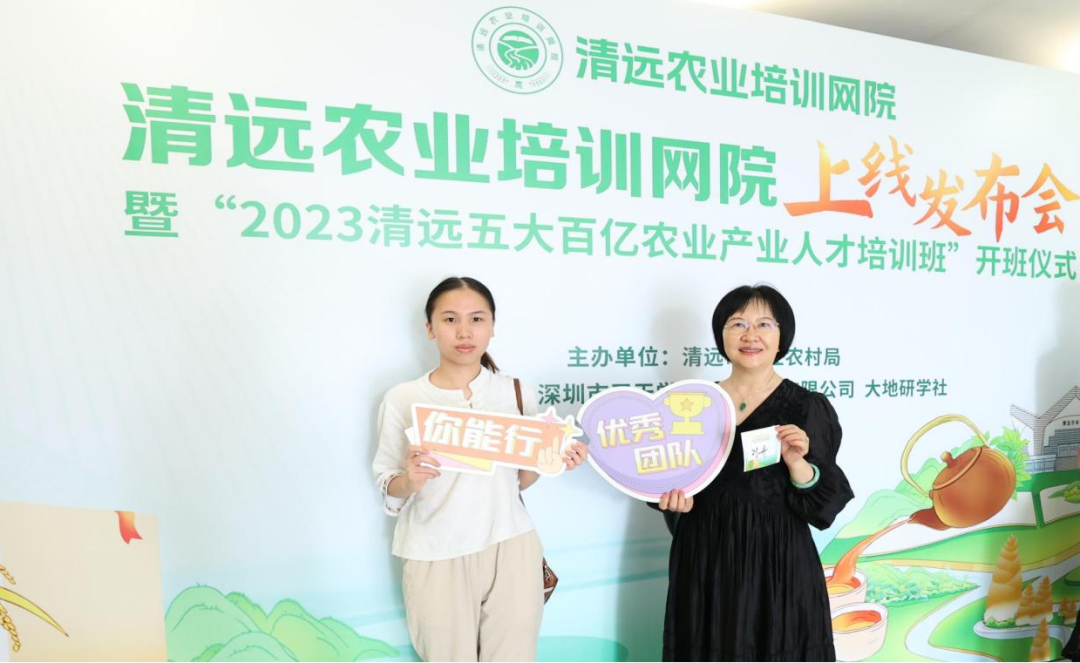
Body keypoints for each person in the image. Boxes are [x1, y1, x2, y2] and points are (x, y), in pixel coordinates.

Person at [372, 276, 588, 663]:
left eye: (476, 319)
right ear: (430, 328)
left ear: (492, 326)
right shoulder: (403, 398)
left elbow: (520, 480)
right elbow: (388, 483)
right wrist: (409, 480)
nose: (464, 331)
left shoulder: (515, 392)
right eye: (450, 319)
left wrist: (552, 460)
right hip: (435, 551)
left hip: (511, 543)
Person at [657, 284, 854, 663]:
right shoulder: (690, 404)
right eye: (737, 324)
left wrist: (798, 464)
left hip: (777, 563)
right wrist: (673, 501)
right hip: (705, 557)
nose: (750, 335)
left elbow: (823, 505)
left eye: (764, 324)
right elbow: (665, 475)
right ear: (721, 335)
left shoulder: (807, 407)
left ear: (782, 336)